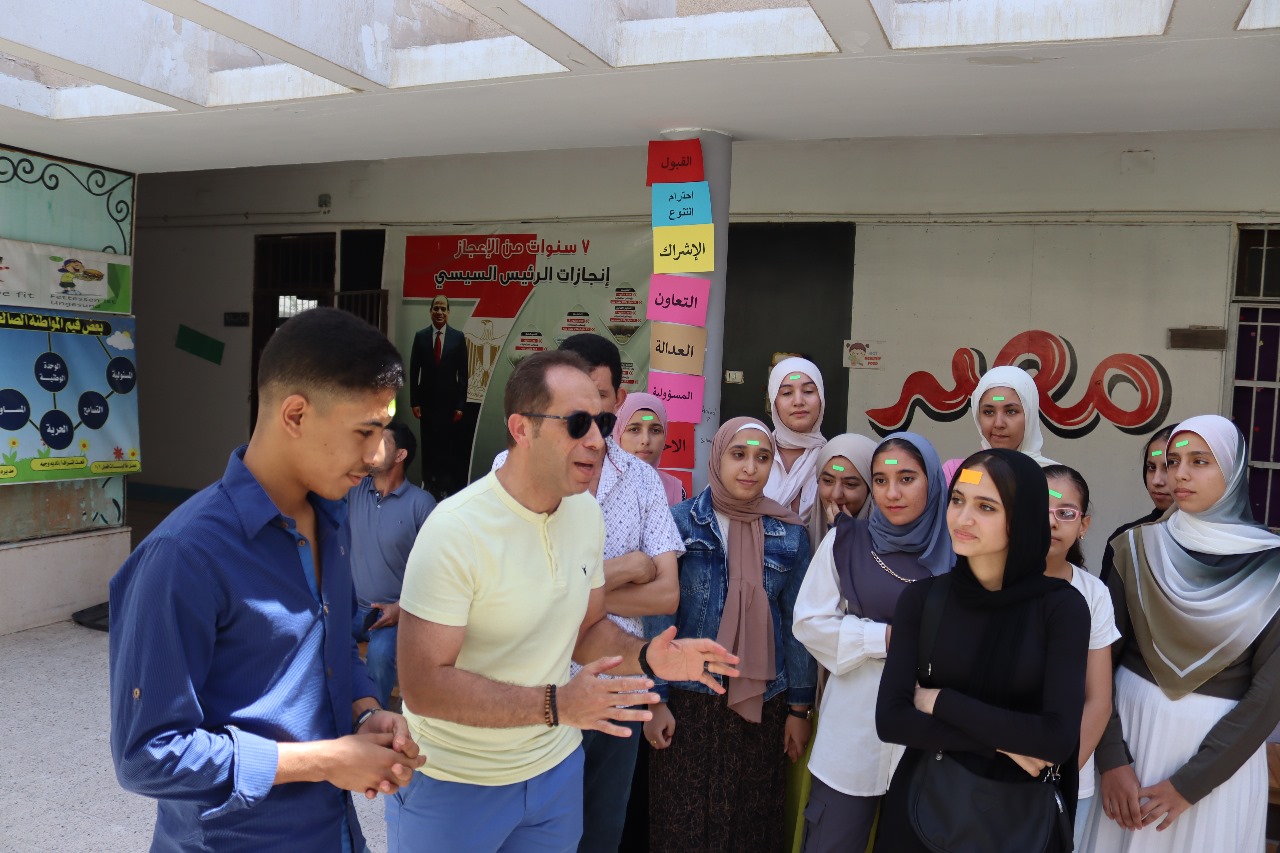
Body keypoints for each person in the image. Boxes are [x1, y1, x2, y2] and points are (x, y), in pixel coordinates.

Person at [389, 349, 736, 853]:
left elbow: (586, 629)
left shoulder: (584, 516)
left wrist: (647, 656)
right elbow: (422, 685)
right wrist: (556, 704)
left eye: (602, 422)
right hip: (456, 782)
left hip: (553, 775)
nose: (597, 440)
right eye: (577, 424)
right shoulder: (454, 529)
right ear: (521, 429)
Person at [109, 307, 424, 851]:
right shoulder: (184, 553)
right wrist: (325, 760)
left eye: (383, 433)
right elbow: (145, 755)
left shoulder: (333, 520)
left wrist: (365, 712)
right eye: (364, 431)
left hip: (333, 833)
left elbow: (334, 649)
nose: (377, 455)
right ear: (295, 414)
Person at [493, 335, 688, 852]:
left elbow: (666, 595)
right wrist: (627, 568)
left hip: (619, 689)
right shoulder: (509, 475)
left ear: (617, 399)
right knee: (534, 834)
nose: (590, 421)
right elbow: (521, 588)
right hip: (536, 687)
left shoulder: (642, 482)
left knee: (602, 831)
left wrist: (572, 594)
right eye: (573, 409)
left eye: (598, 403)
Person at [875, 448, 1089, 853]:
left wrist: (939, 700)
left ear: (1022, 518)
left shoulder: (1062, 608)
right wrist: (1004, 744)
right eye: (958, 500)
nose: (963, 518)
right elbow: (892, 721)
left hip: (1019, 822)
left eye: (986, 507)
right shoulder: (923, 600)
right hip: (923, 812)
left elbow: (1056, 740)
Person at [1087, 415, 1280, 852]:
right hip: (1130, 744)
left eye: (1200, 461)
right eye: (1173, 461)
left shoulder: (1272, 566)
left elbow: (1269, 695)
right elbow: (1099, 661)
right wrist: (1111, 759)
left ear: (1233, 470)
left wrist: (1190, 784)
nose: (1180, 474)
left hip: (1219, 763)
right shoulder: (1135, 547)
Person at [645, 417, 817, 853]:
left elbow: (796, 627)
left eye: (763, 457)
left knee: (750, 824)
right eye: (738, 455)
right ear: (718, 457)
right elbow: (659, 616)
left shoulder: (789, 533)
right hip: (689, 702)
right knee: (681, 825)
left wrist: (799, 709)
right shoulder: (680, 523)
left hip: (762, 701)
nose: (750, 468)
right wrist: (656, 700)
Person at [793, 433, 954, 852]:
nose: (891, 493)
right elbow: (809, 623)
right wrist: (884, 637)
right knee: (832, 842)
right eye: (880, 480)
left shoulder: (960, 554)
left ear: (933, 480)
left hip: (929, 737)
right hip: (852, 732)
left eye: (906, 479)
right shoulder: (846, 541)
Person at [1041, 464, 1120, 849]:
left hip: (1067, 777)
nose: (1052, 522)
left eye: (1066, 512)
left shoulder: (1094, 594)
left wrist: (1058, 771)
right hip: (990, 772)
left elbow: (1098, 700)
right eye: (1040, 509)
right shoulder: (991, 582)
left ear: (1084, 525)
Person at [348, 422, 436, 710]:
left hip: (393, 615)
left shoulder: (421, 504)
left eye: (381, 441)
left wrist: (401, 608)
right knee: (318, 638)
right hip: (351, 607)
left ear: (400, 455)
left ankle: (375, 721)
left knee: (380, 656)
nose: (371, 446)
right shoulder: (354, 489)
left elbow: (436, 571)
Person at [941, 365, 1058, 485]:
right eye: (988, 412)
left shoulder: (1055, 482)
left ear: (1030, 415)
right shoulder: (957, 473)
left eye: (1011, 411)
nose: (998, 424)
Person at [1098, 425, 1175, 585]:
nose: (1156, 481)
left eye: (1168, 467)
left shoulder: (1223, 538)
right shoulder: (1126, 539)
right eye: (1151, 468)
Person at [409, 294, 468, 498]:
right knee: (429, 446)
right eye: (436, 308)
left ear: (449, 312)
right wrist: (414, 401)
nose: (440, 312)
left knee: (446, 446)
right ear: (430, 311)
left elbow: (463, 375)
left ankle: (445, 488)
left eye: (443, 308)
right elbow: (414, 371)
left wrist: (460, 405)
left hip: (450, 406)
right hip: (426, 404)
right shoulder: (421, 337)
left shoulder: (457, 338)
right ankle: (429, 485)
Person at [765, 357, 828, 516]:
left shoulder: (832, 460)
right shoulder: (753, 456)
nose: (798, 401)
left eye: (808, 391)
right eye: (787, 393)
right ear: (773, 401)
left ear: (821, 397)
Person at [807, 433, 878, 553]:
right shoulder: (795, 540)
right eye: (828, 481)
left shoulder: (890, 543)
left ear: (871, 488)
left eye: (850, 484)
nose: (836, 495)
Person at [614, 391, 686, 505]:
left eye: (655, 430)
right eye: (634, 429)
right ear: (618, 433)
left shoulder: (675, 490)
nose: (646, 440)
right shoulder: (597, 486)